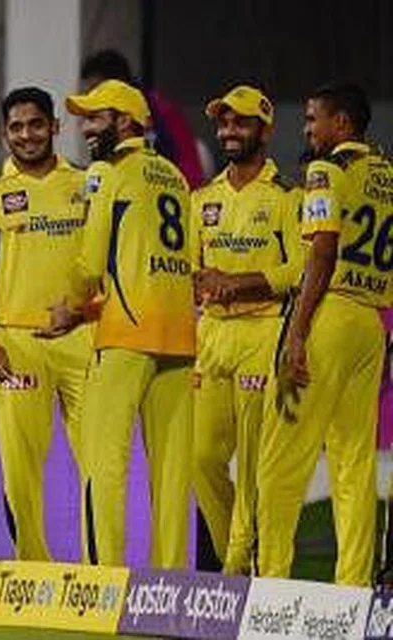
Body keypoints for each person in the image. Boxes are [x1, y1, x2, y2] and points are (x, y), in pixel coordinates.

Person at [56, 79, 195, 569]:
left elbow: (91, 264)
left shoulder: (106, 173)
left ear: (127, 121)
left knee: (102, 464)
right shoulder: (176, 178)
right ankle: (171, 586)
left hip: (124, 336)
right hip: (179, 338)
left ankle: (104, 581)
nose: (86, 128)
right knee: (172, 476)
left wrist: (72, 307)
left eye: (97, 118)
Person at [256, 83, 391, 586]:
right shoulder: (387, 176)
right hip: (370, 323)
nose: (307, 128)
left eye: (314, 118)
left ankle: (270, 582)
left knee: (280, 460)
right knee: (354, 464)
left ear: (343, 123)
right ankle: (352, 587)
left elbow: (322, 251)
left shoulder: (326, 171)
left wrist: (297, 333)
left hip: (327, 316)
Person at [0, 87, 92, 560]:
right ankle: (34, 569)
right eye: (16, 127)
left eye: (36, 124)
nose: (27, 135)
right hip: (17, 344)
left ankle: (101, 571)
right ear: (4, 134)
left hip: (83, 338)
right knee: (21, 469)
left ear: (55, 127)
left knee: (100, 463)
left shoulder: (87, 183)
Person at [189, 85, 303, 575]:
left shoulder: (288, 197)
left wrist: (238, 282)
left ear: (265, 130)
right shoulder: (203, 199)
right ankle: (237, 557)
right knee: (199, 457)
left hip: (263, 330)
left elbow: (300, 270)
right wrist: (202, 281)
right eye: (224, 122)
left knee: (256, 465)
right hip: (212, 333)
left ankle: (237, 570)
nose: (229, 131)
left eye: (241, 122)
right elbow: (188, 268)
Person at [80, 49, 209, 188]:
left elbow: (191, 169)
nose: (90, 96)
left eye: (95, 89)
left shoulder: (160, 110)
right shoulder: (101, 122)